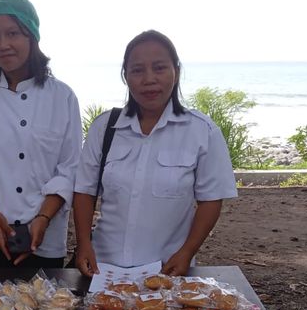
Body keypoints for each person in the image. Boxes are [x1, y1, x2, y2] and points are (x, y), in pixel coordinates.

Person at [73, 30, 237, 277]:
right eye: (137, 70)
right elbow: (84, 191)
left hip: (168, 270)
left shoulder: (202, 131)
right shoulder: (104, 128)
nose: (149, 79)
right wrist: (84, 244)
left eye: (159, 68)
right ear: (125, 76)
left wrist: (187, 252)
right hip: (103, 269)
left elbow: (211, 200)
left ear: (176, 71)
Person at [0, 0, 82, 268]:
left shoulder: (63, 96)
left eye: (12, 33)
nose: (3, 45)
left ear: (32, 36)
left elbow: (69, 169)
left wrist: (42, 219)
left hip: (44, 236)